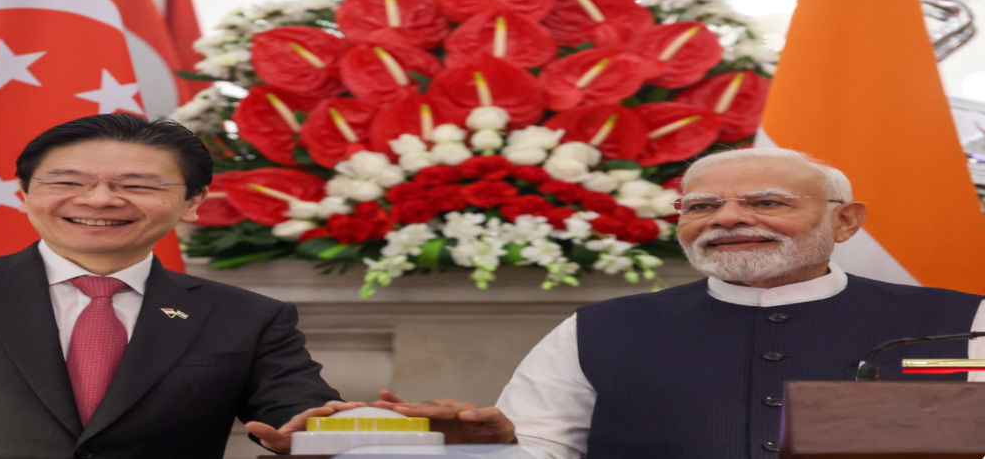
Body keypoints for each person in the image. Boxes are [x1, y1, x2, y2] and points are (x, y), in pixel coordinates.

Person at [374, 148, 985, 459]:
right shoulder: (600, 330)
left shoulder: (960, 322)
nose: (729, 219)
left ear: (846, 222)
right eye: (701, 207)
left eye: (766, 203)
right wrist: (492, 442)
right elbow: (542, 450)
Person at [0, 114, 355, 459]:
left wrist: (343, 426)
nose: (100, 200)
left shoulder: (248, 317)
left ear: (193, 202)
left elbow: (304, 415)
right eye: (66, 183)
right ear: (24, 195)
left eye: (137, 185)